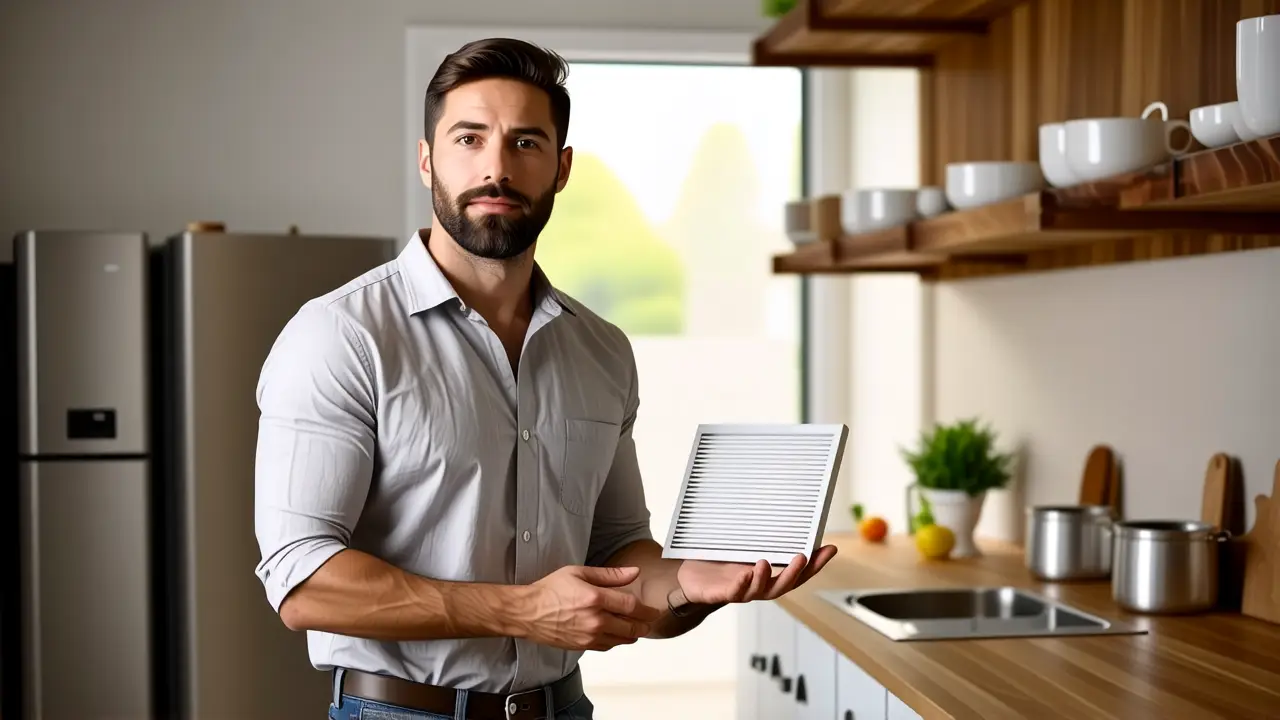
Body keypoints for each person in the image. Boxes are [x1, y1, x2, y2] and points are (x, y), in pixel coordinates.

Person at [252, 37, 837, 720]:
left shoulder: (602, 350)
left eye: (525, 143)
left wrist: (690, 586)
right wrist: (526, 611)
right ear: (425, 159)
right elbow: (303, 582)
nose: (495, 168)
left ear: (559, 169)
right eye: (469, 138)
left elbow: (619, 556)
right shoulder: (341, 336)